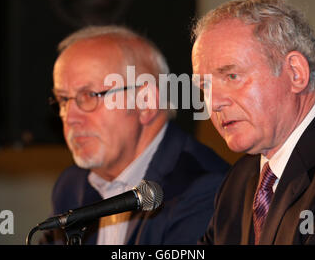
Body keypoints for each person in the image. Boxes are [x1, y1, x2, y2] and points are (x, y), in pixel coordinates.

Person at [191, 0, 315, 244]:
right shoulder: (241, 179)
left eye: (232, 76)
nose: (214, 103)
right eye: (204, 87)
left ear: (295, 72)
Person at [43, 25, 229, 245]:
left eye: (90, 95)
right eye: (63, 99)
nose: (70, 116)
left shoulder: (206, 189)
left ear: (146, 103)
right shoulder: (71, 185)